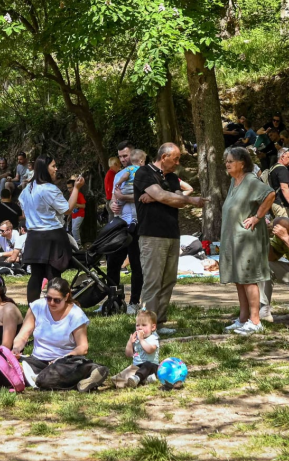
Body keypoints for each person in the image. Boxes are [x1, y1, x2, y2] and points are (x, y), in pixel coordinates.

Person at [135, 143, 205, 332]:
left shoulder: (173, 177)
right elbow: (168, 197)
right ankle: (145, 327)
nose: (178, 162)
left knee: (168, 280)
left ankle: (160, 322)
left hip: (173, 235)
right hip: (151, 235)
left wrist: (160, 196)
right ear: (164, 157)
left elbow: (177, 201)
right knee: (152, 281)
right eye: (175, 158)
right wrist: (168, 197)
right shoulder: (144, 173)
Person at [218, 146, 277, 336]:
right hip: (234, 239)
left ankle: (255, 320)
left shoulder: (251, 180)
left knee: (249, 279)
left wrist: (257, 217)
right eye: (226, 161)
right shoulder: (234, 181)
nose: (227, 164)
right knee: (239, 279)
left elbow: (270, 194)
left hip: (247, 240)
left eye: (230, 161)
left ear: (242, 163)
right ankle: (243, 318)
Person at [12, 277, 108, 392]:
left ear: (66, 297)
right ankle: (77, 381)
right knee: (8, 368)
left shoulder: (76, 315)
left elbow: (83, 347)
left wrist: (63, 358)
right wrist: (16, 349)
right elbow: (23, 335)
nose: (51, 303)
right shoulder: (37, 306)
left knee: (44, 380)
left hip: (64, 362)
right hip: (37, 360)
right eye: (48, 298)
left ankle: (89, 370)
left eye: (57, 300)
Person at [19, 155, 84, 303]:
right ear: (45, 168)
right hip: (52, 235)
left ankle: (33, 311)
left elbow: (24, 213)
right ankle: (57, 308)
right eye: (53, 166)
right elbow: (67, 209)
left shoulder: (26, 190)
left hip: (34, 236)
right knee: (53, 275)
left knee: (35, 276)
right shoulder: (49, 189)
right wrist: (76, 188)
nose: (56, 169)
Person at [109, 148, 146, 314]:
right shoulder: (119, 175)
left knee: (136, 264)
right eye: (120, 157)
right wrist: (113, 205)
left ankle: (134, 302)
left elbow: (144, 196)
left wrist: (123, 198)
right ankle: (114, 300)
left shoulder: (144, 173)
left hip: (138, 224)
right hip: (121, 223)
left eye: (126, 156)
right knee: (113, 262)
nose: (123, 159)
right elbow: (112, 198)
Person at [112, 309, 160, 388]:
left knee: (147, 364)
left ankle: (138, 378)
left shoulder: (153, 338)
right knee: (119, 378)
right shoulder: (136, 340)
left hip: (151, 367)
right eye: (138, 325)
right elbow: (129, 354)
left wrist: (141, 340)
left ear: (153, 327)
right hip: (137, 367)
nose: (140, 328)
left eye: (144, 325)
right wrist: (130, 342)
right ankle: (145, 380)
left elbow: (150, 350)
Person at [267, 147, 289, 217]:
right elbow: (284, 187)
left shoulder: (273, 168)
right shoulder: (282, 169)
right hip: (282, 206)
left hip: (275, 203)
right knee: (285, 227)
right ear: (282, 157)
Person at [66, 176, 87, 244]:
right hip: (74, 215)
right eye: (68, 188)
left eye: (70, 187)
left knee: (75, 229)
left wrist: (76, 205)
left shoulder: (79, 195)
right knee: (73, 230)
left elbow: (84, 206)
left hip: (80, 214)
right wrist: (70, 215)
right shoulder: (71, 195)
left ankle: (78, 243)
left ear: (74, 186)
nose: (69, 189)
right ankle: (75, 243)